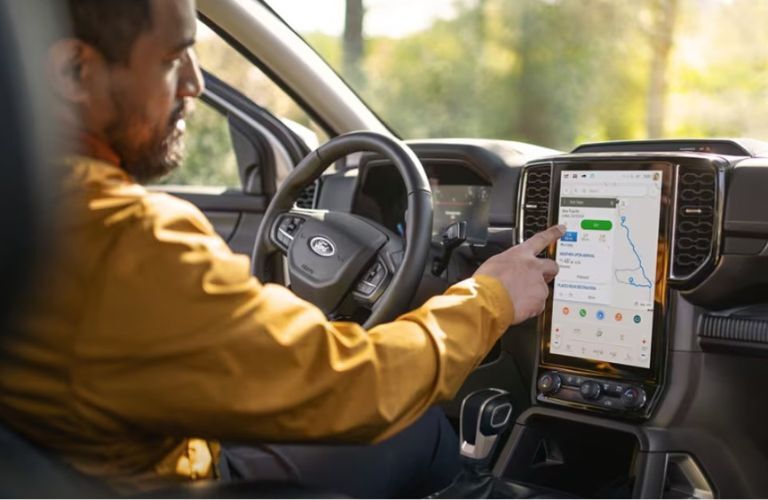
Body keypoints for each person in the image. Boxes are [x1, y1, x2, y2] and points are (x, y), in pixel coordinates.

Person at [0, 0, 563, 496]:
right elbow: (356, 386)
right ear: (75, 72)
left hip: (105, 460)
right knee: (421, 428)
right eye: (173, 59)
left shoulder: (44, 211)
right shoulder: (125, 238)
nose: (196, 83)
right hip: (168, 481)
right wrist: (490, 298)